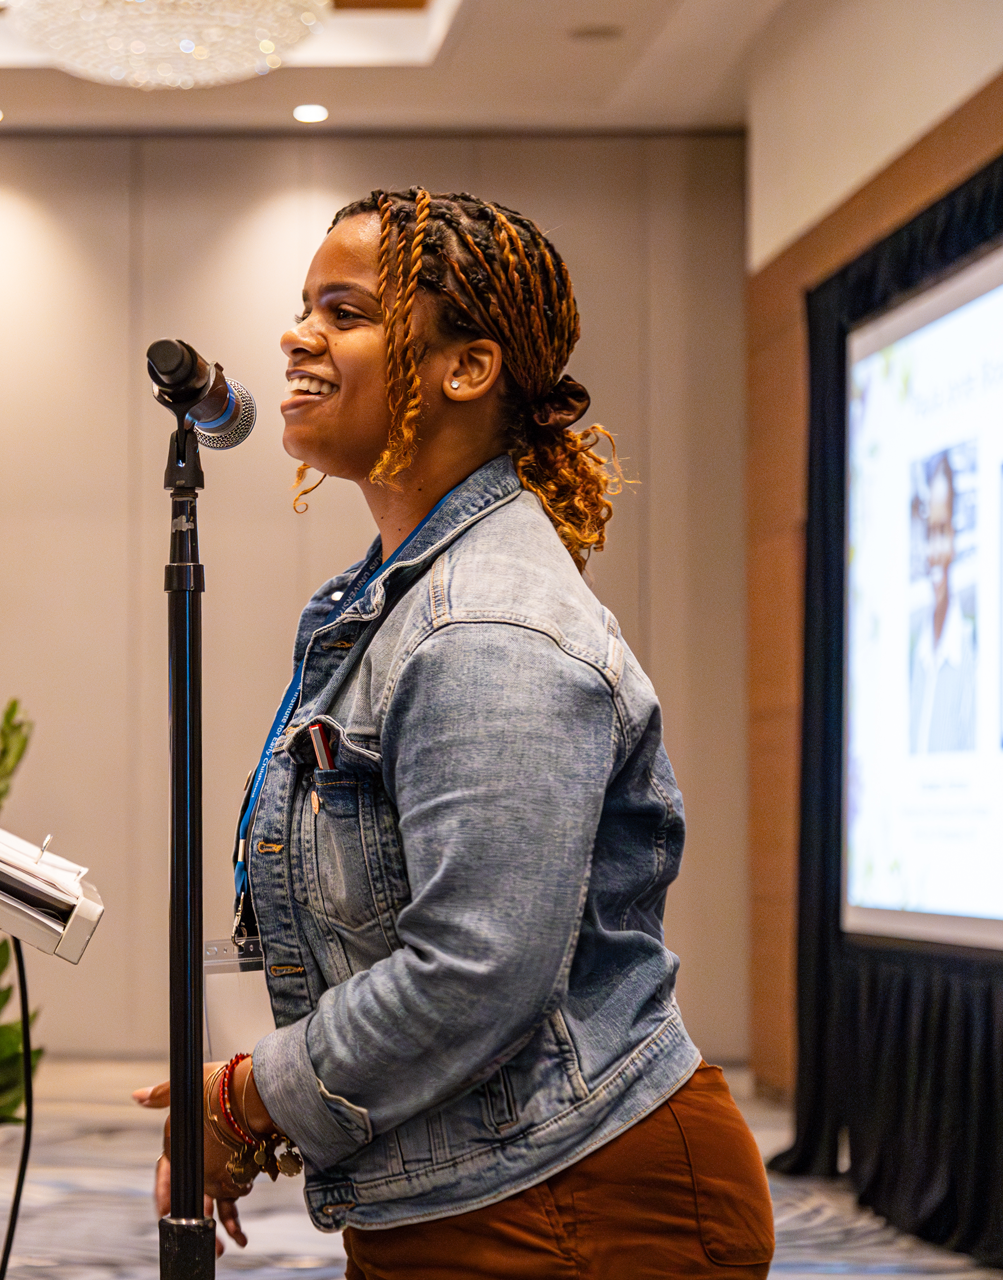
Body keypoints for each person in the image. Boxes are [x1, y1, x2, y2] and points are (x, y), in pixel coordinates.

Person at [134, 189, 774, 1278]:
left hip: (581, 1199)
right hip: (485, 1187)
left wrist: (247, 1101)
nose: (296, 335)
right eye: (302, 307)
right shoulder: (388, 598)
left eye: (344, 310)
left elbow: (474, 969)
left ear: (465, 368)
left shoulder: (485, 623)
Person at [908, 449, 976, 753]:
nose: (933, 549)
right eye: (927, 533)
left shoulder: (975, 655)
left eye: (942, 531)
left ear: (956, 536)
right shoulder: (909, 653)